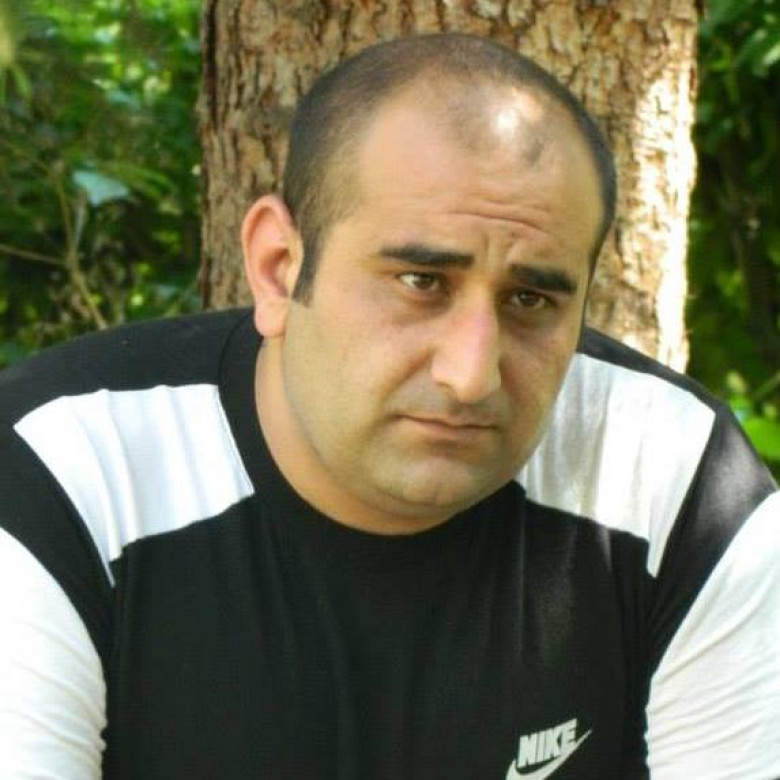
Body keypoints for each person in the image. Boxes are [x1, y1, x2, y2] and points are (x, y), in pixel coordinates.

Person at [0, 33, 777, 780]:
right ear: (278, 268)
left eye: (530, 299)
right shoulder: (64, 473)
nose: (470, 374)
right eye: (420, 282)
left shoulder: (675, 480)